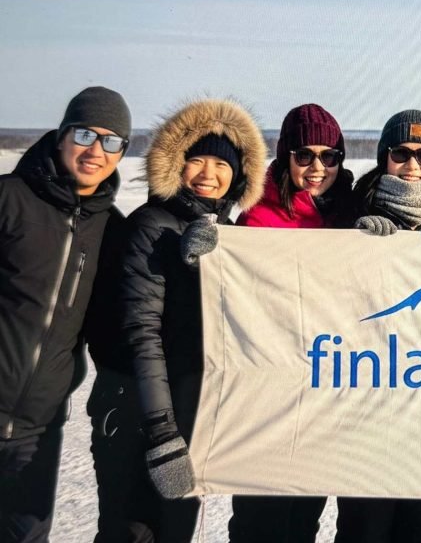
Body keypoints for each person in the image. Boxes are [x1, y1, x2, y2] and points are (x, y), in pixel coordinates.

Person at [105, 98, 266, 542]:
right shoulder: (151, 226)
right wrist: (161, 432)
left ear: (240, 174)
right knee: (137, 530)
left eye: (222, 163)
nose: (208, 174)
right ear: (176, 163)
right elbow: (143, 332)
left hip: (197, 412)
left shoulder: (230, 235)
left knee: (175, 530)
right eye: (197, 159)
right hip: (145, 415)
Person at [333, 109, 421, 543]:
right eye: (401, 153)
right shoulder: (355, 206)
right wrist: (351, 244)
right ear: (383, 157)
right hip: (364, 404)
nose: (413, 165)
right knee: (363, 527)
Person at [0, 86, 130, 542]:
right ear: (61, 135)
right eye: (85, 134)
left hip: (40, 427)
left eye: (112, 141)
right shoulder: (9, 199)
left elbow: (117, 324)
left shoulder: (111, 229)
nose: (96, 150)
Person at [227, 103, 354, 542]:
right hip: (268, 395)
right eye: (305, 156)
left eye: (330, 157)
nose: (318, 167)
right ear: (285, 158)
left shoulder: (344, 213)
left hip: (323, 392)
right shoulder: (259, 215)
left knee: (304, 519)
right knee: (261, 523)